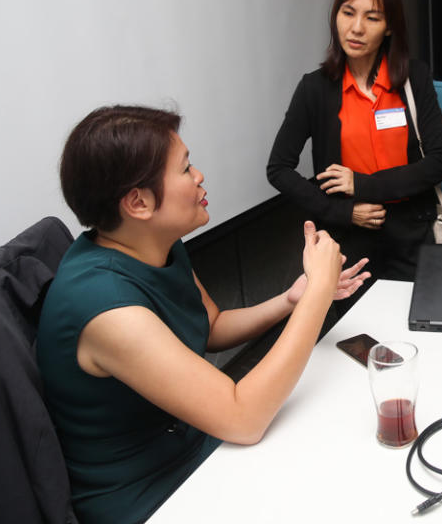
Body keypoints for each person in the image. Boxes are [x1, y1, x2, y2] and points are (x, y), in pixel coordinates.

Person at [37, 106, 369, 523]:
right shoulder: (104, 308)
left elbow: (210, 326)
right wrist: (321, 291)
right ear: (138, 202)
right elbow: (244, 418)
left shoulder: (154, 244)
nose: (199, 177)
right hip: (147, 494)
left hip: (192, 439)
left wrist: (293, 299)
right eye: (185, 168)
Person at [267, 0, 442, 284]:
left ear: (389, 27)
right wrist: (342, 211)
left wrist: (363, 185)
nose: (356, 28)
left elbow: (439, 161)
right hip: (348, 239)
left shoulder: (414, 78)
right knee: (356, 333)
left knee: (418, 328)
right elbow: (279, 169)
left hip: (414, 236)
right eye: (348, 13)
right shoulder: (315, 88)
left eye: (372, 18)